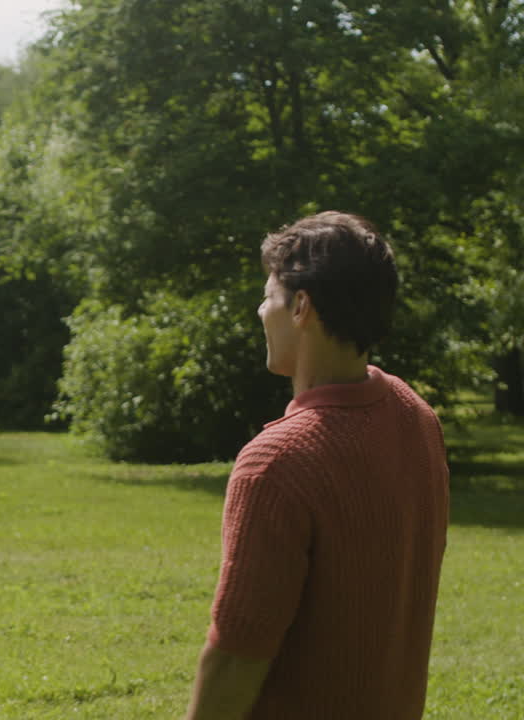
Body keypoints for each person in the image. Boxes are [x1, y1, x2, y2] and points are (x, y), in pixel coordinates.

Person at [183, 212, 450, 719]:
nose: (261, 310)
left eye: (269, 296)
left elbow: (237, 654)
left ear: (302, 306)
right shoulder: (415, 416)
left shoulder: (276, 462)